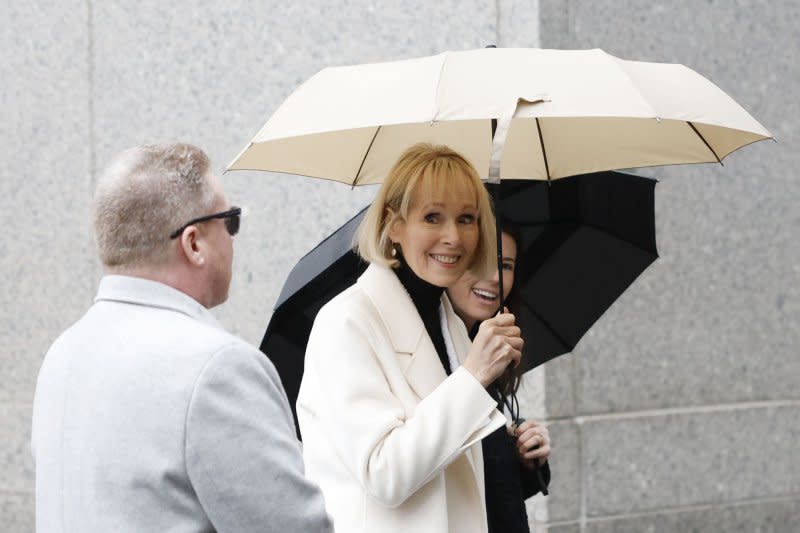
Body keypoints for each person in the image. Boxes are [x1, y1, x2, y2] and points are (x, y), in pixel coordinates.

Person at [31, 143, 333, 532]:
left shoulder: (63, 352)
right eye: (231, 221)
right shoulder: (217, 368)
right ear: (193, 243)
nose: (233, 237)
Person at [296, 143, 524, 533]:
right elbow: (384, 473)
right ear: (393, 225)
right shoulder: (347, 321)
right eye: (432, 217)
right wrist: (473, 377)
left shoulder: (447, 319)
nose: (453, 236)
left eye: (467, 218)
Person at [448, 227, 552, 533]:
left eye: (505, 265)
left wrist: (523, 455)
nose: (494, 277)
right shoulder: (435, 356)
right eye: (478, 259)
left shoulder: (485, 346)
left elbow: (492, 485)